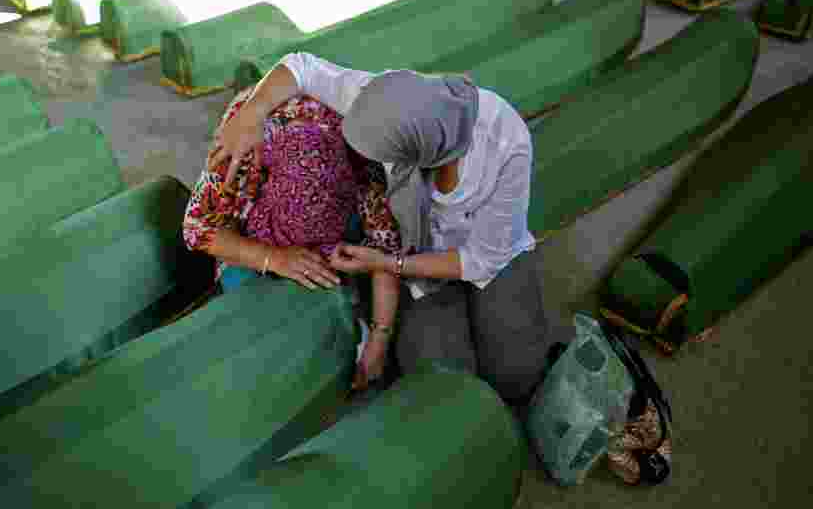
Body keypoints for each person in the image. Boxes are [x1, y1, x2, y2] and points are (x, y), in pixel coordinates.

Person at [210, 53, 572, 406]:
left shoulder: (506, 142)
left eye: (382, 158)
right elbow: (301, 67)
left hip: (487, 257)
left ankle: (491, 319)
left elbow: (481, 259)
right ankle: (450, 314)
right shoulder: (380, 100)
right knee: (442, 386)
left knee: (516, 378)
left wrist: (387, 264)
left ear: (417, 151)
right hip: (417, 257)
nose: (368, 169)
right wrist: (251, 113)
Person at [183, 84, 402, 390]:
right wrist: (272, 258)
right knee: (254, 332)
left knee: (333, 314)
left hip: (332, 179)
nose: (308, 253)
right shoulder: (240, 154)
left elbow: (385, 253)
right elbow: (196, 228)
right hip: (253, 217)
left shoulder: (365, 160)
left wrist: (378, 343)